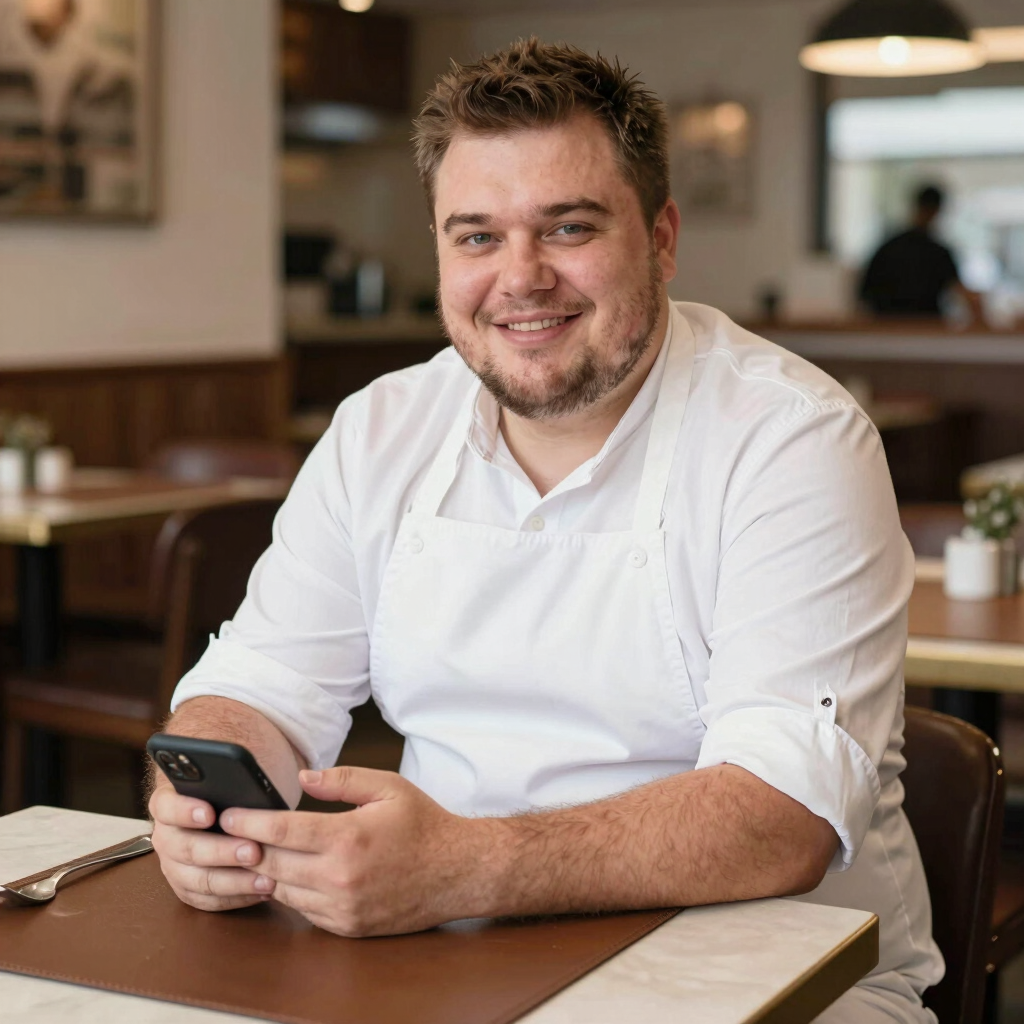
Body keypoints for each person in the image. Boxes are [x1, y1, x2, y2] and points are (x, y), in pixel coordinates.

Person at [148, 39, 943, 1023]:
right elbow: (256, 687)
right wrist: (201, 803)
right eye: (476, 236)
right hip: (445, 955)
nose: (520, 278)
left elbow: (779, 820)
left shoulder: (791, 438)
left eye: (566, 226)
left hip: (781, 976)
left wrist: (460, 869)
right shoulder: (382, 428)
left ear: (659, 238)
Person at [860, 184, 982, 320]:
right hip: (927, 330)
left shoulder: (888, 248)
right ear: (937, 211)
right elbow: (962, 293)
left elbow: (864, 298)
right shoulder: (938, 252)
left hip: (887, 329)